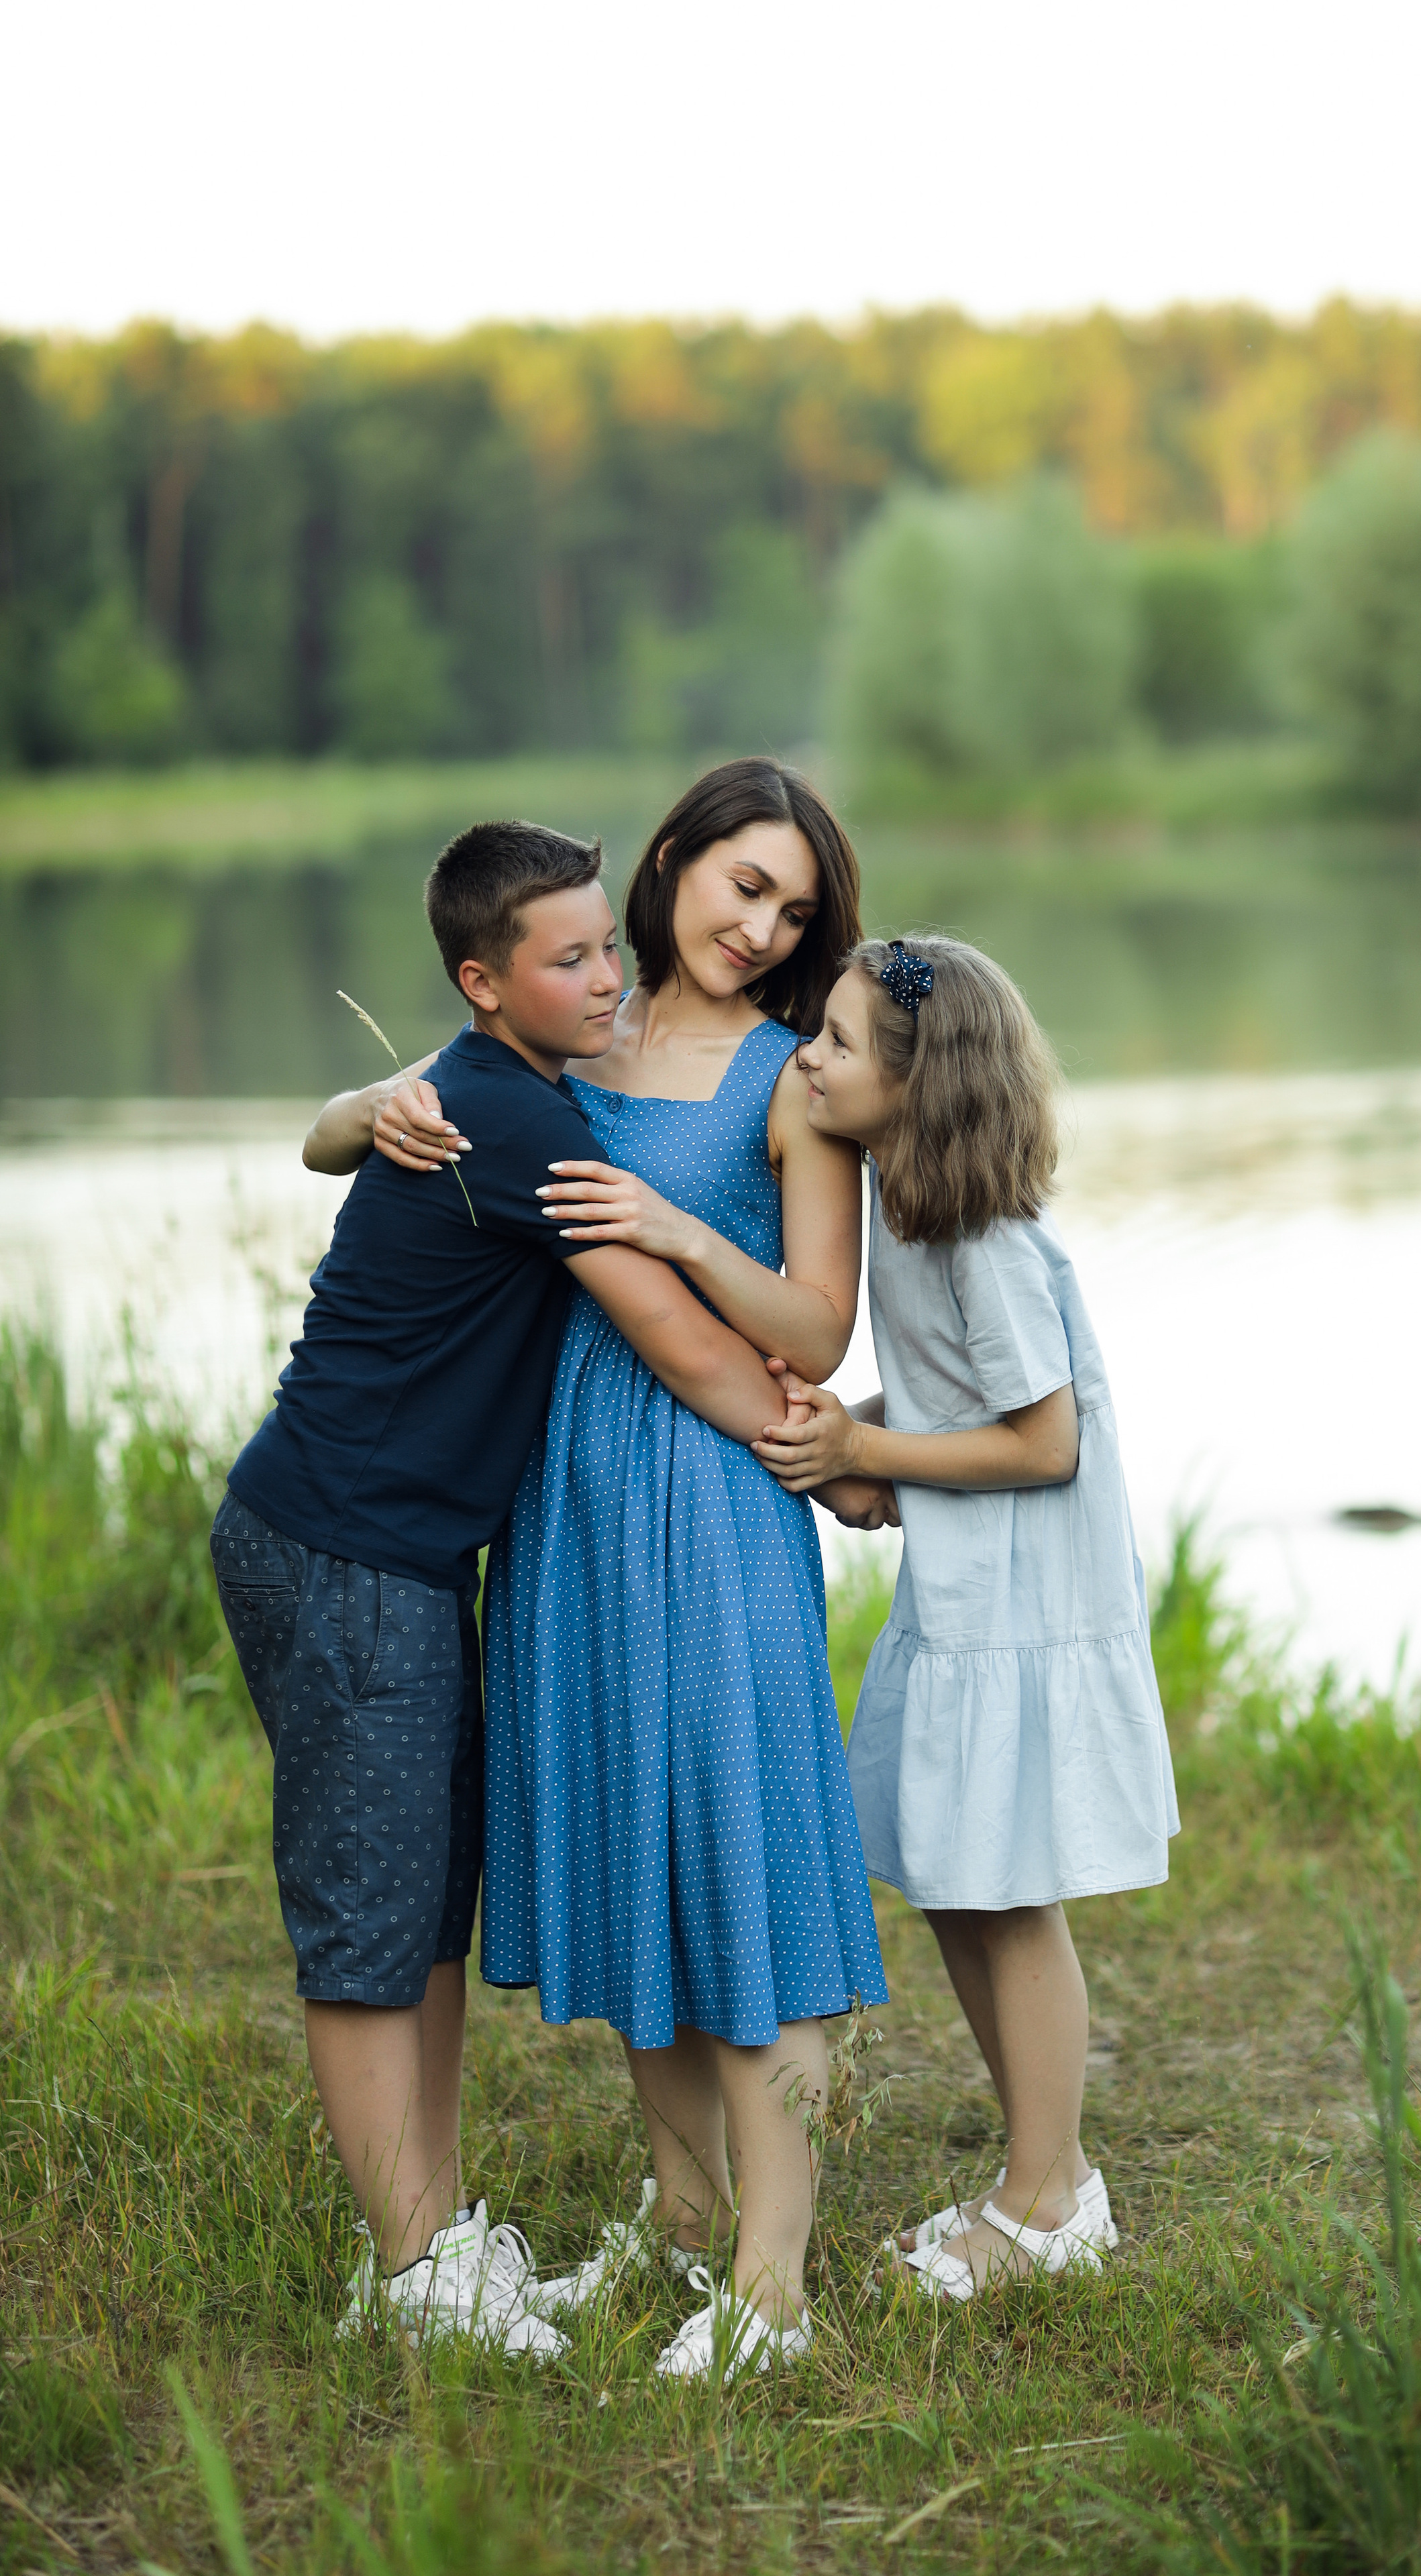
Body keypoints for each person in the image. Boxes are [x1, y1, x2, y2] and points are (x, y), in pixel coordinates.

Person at [215, 818, 798, 2357]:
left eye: (610, 941)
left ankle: (441, 2236)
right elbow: (676, 1342)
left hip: (402, 1555)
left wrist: (348, 1111)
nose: (608, 974)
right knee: (368, 1916)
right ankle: (410, 2277)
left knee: (424, 1906)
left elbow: (346, 1132)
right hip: (340, 1545)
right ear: (485, 983)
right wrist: (843, 1462)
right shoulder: (518, 1120)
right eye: (570, 957)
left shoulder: (504, 1084)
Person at [372, 759, 891, 2383]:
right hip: (564, 1489)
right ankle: (676, 2224)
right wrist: (364, 1108)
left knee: (737, 1846)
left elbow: (817, 1328)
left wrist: (678, 1235)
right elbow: (387, 1119)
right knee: (628, 1848)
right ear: (669, 862)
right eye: (743, 885)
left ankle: (773, 2281)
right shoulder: (569, 1032)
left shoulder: (789, 1077)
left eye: (793, 911)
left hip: (713, 1488)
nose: (761, 927)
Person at [752, 934, 1179, 2299]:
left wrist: (868, 1456)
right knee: (952, 1881)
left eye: (829, 1039)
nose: (804, 1057)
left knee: (1005, 1897)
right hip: (964, 1606)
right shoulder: (901, 1208)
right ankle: (1031, 2170)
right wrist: (858, 1432)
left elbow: (1042, 1441)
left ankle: (1052, 2200)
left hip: (1024, 1611)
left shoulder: (983, 1244)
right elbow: (952, 1410)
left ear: (915, 1079)